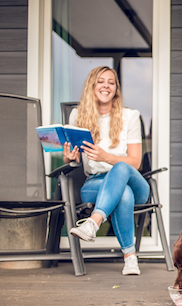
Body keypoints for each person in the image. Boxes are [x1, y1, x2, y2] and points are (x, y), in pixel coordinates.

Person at [63, 66, 150, 276]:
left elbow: (135, 162)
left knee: (122, 168)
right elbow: (71, 159)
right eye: (101, 81)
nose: (106, 86)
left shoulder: (130, 116)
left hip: (133, 182)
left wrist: (106, 157)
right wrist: (70, 157)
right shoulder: (78, 116)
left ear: (116, 90)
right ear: (92, 86)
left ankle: (93, 222)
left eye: (111, 82)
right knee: (123, 195)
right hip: (95, 183)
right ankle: (130, 259)